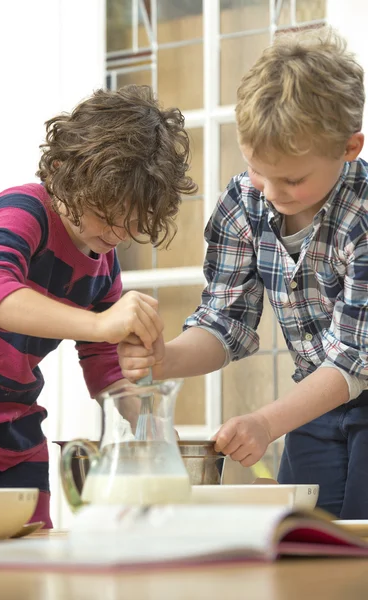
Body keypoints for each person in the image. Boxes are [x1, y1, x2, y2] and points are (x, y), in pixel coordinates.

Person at [118, 27, 368, 519]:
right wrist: (165, 359)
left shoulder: (362, 218)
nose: (272, 190)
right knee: (302, 548)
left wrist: (264, 422)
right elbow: (223, 322)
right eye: (257, 168)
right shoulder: (243, 203)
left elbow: (353, 361)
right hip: (315, 405)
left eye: (293, 178)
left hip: (351, 385)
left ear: (349, 147)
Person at [0, 85, 197, 527]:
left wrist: (152, 430)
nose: (118, 232)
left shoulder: (103, 264)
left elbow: (107, 370)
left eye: (131, 222)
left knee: (27, 550)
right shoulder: (22, 212)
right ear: (62, 171)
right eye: (108, 213)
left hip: (12, 428)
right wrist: (103, 325)